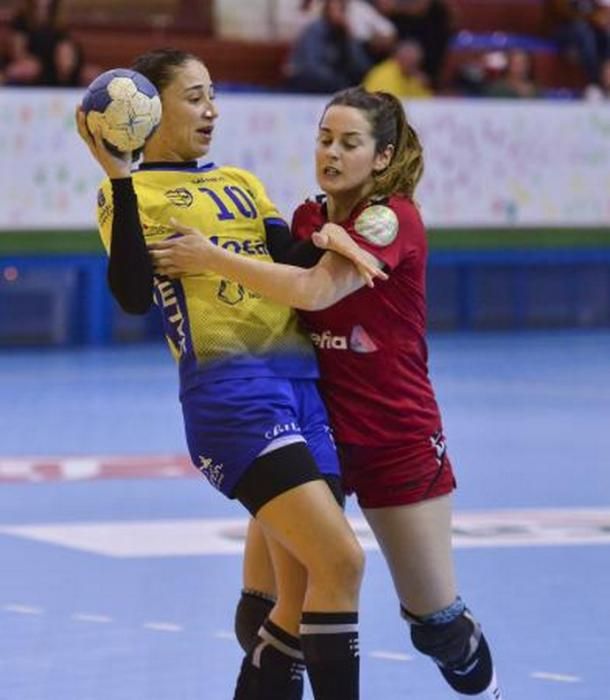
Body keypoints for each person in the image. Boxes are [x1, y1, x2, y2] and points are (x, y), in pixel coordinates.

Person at [151, 86, 505, 700]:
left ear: (382, 155)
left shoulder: (389, 218)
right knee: (263, 612)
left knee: (436, 626)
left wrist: (207, 258)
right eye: (324, 139)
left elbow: (313, 292)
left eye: (349, 143)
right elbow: (285, 261)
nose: (332, 153)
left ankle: (491, 691)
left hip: (396, 438)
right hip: (315, 433)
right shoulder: (312, 218)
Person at [76, 48, 379, 700]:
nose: (211, 109)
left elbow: (290, 264)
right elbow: (132, 293)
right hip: (232, 393)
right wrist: (121, 176)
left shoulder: (242, 182)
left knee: (290, 605)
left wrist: (335, 221)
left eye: (212, 94)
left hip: (304, 388)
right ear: (148, 110)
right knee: (342, 560)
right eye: (194, 96)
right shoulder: (129, 194)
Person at [285, 0, 372, 93]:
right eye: (333, 10)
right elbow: (312, 68)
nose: (338, 14)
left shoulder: (345, 33)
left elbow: (362, 68)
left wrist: (350, 39)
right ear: (326, 11)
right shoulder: (315, 30)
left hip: (338, 88)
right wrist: (340, 83)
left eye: (341, 10)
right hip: (312, 87)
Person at [363, 38, 433, 98]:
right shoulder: (383, 74)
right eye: (410, 60)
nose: (413, 66)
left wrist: (425, 87)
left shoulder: (414, 78)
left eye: (416, 62)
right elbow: (391, 103)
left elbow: (425, 102)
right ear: (399, 57)